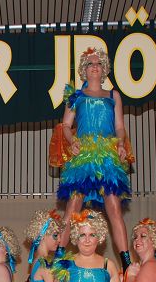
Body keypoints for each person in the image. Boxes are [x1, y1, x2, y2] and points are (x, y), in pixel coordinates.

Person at [55, 48, 134, 269]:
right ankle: (58, 259)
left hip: (107, 157)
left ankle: (127, 264)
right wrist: (72, 141)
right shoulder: (76, 96)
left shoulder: (113, 95)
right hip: (84, 156)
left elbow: (120, 127)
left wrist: (120, 143)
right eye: (90, 63)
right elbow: (65, 125)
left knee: (114, 208)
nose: (94, 66)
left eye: (98, 63)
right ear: (84, 69)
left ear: (104, 68)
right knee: (73, 206)